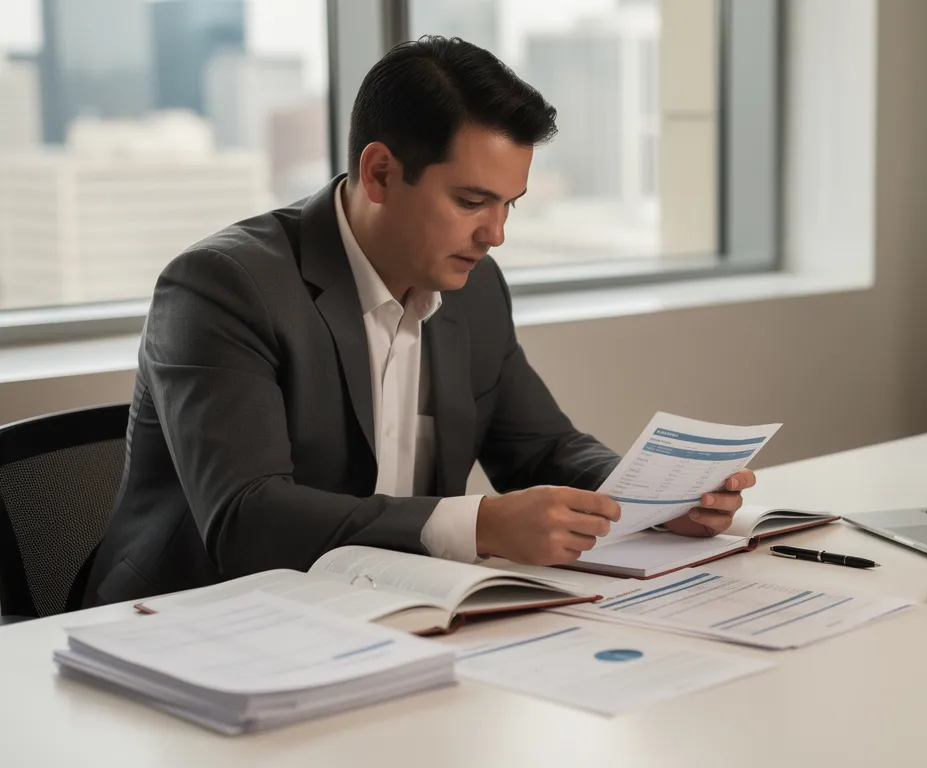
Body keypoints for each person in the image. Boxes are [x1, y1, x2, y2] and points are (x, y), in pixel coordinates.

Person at [83, 36, 755, 607]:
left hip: (390, 616)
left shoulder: (473, 286)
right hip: (193, 626)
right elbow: (245, 518)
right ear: (379, 172)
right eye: (471, 201)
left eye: (510, 205)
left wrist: (653, 499)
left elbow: (543, 450)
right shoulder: (223, 287)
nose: (494, 234)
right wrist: (479, 525)